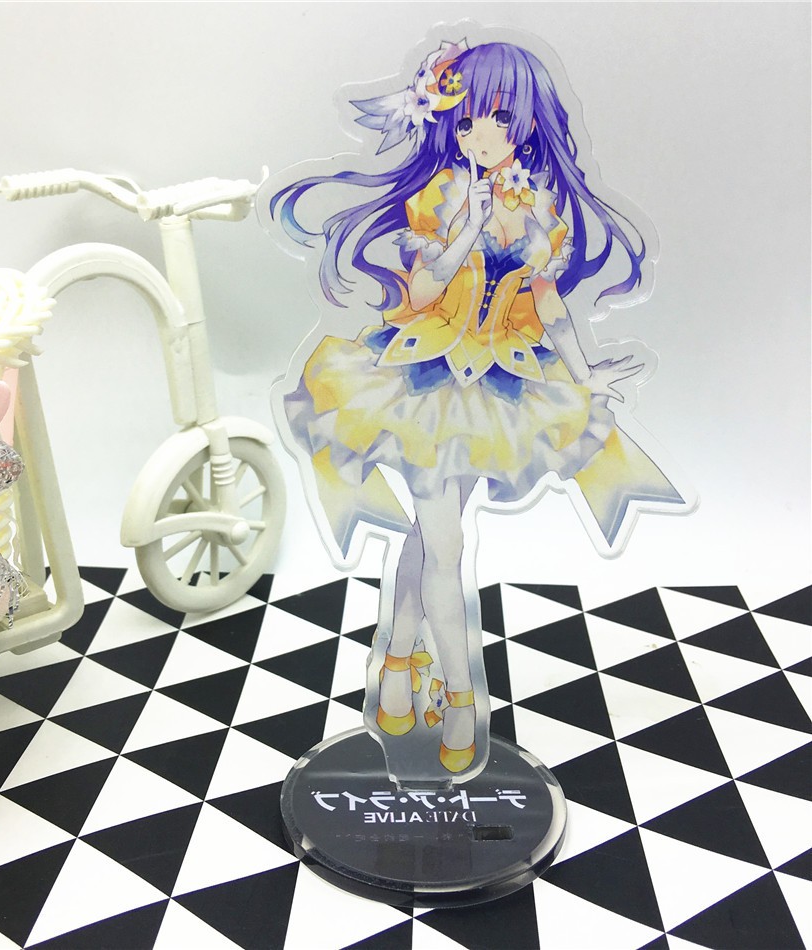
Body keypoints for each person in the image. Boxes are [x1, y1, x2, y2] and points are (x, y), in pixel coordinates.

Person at [272, 38, 685, 777]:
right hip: (420, 377)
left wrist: (585, 372)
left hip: (498, 381)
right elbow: (424, 291)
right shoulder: (439, 196)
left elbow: (548, 301)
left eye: (497, 117)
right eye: (465, 120)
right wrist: (466, 224)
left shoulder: (539, 205)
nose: (479, 133)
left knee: (431, 539)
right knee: (446, 545)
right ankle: (460, 699)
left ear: (526, 121)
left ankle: (396, 667)